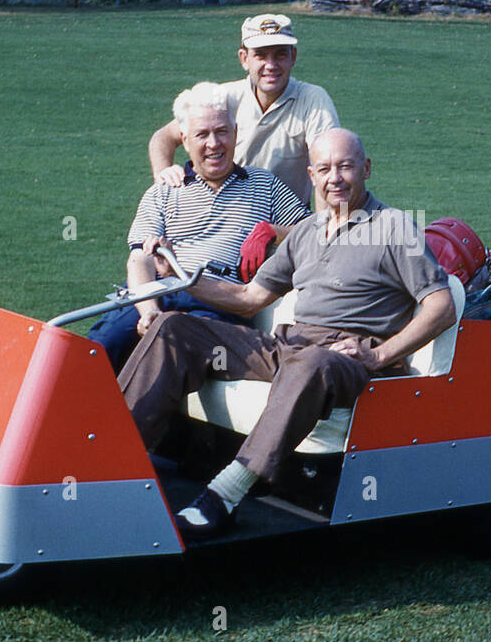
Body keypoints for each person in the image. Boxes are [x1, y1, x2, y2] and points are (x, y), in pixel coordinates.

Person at [119, 128, 456, 539]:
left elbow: (442, 304)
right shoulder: (305, 232)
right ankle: (114, 465)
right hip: (290, 346)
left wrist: (378, 356)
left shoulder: (393, 227)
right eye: (325, 168)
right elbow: (249, 298)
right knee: (175, 328)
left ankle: (224, 495)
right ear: (312, 175)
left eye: (346, 166)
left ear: (366, 169)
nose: (336, 178)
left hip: (344, 357)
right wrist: (183, 278)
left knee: (310, 362)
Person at [88, 82, 311, 371]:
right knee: (103, 343)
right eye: (202, 134)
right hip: (158, 292)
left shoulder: (263, 185)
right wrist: (149, 312)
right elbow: (139, 259)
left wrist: (274, 231)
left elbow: (314, 230)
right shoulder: (166, 188)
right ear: (184, 138)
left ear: (235, 132)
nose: (214, 144)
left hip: (219, 303)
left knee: (171, 346)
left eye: (221, 132)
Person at [147, 13, 338, 204]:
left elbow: (330, 169)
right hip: (228, 215)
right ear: (244, 58)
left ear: (292, 57)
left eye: (280, 54)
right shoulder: (223, 97)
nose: (271, 65)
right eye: (260, 55)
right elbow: (163, 137)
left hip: (287, 221)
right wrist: (164, 173)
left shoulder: (313, 100)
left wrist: (323, 228)